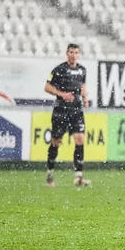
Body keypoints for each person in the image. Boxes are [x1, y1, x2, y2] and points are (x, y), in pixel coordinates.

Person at [44, 43, 91, 187]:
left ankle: (78, 177)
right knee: (56, 141)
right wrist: (61, 94)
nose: (73, 55)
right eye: (71, 52)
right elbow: (47, 87)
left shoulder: (82, 70)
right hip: (61, 110)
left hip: (76, 110)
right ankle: (50, 175)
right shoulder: (59, 70)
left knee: (80, 139)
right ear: (67, 53)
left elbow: (82, 85)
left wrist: (85, 98)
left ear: (78, 54)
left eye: (76, 52)